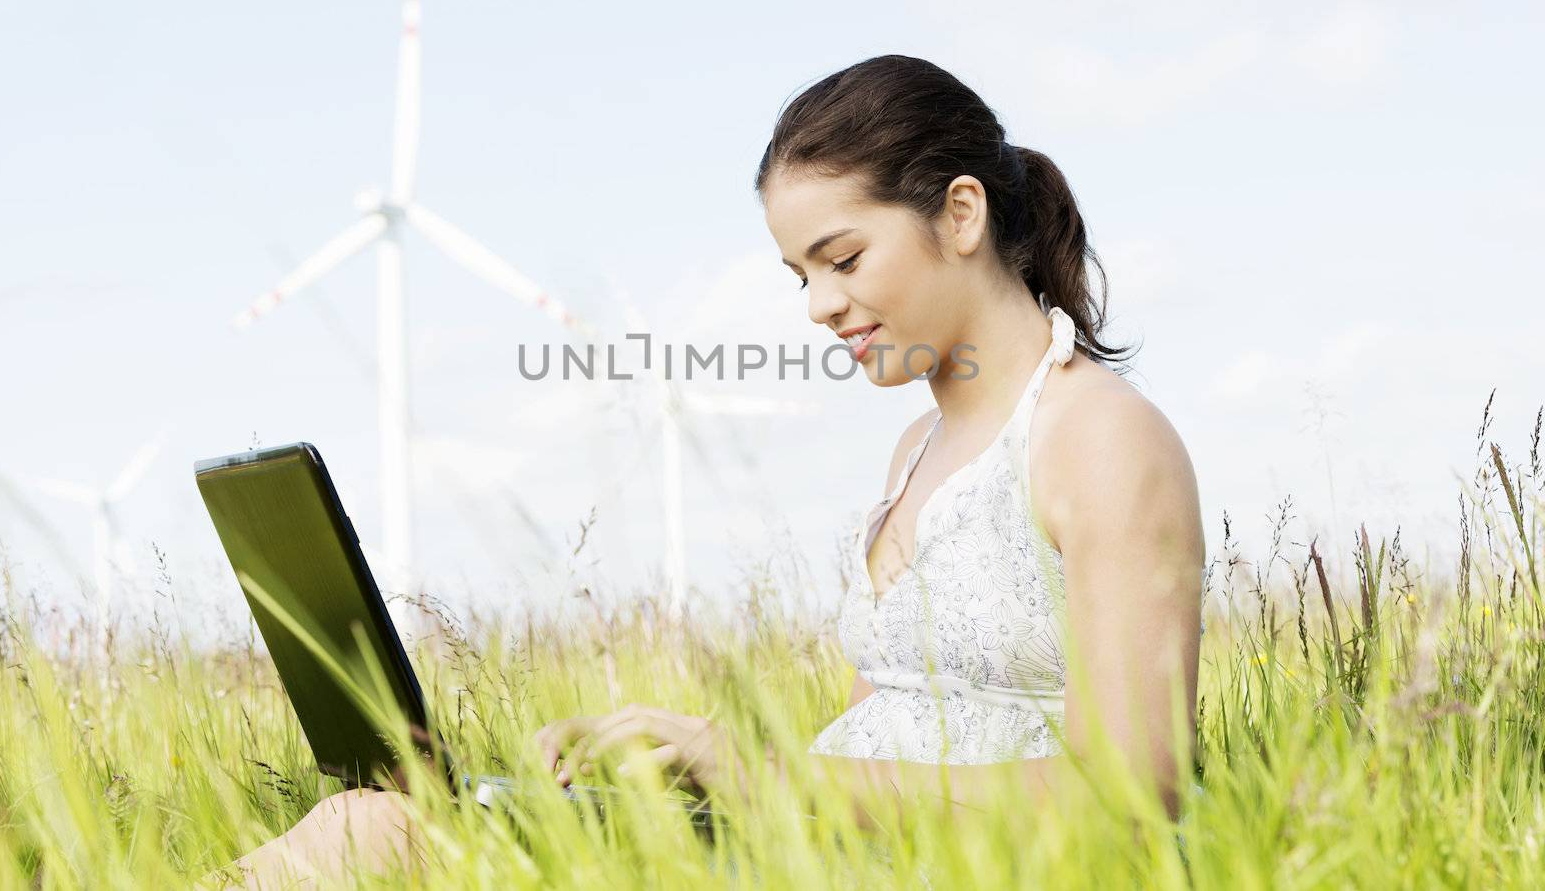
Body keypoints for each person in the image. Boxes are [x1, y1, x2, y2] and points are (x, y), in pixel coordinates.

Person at [217, 54, 1206, 887]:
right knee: (372, 815)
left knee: (380, 836)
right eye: (799, 276)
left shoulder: (1102, 440)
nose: (818, 305)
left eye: (843, 258)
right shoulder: (916, 452)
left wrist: (760, 774)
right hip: (825, 854)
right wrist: (696, 771)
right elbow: (885, 741)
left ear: (959, 214)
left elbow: (1129, 803)